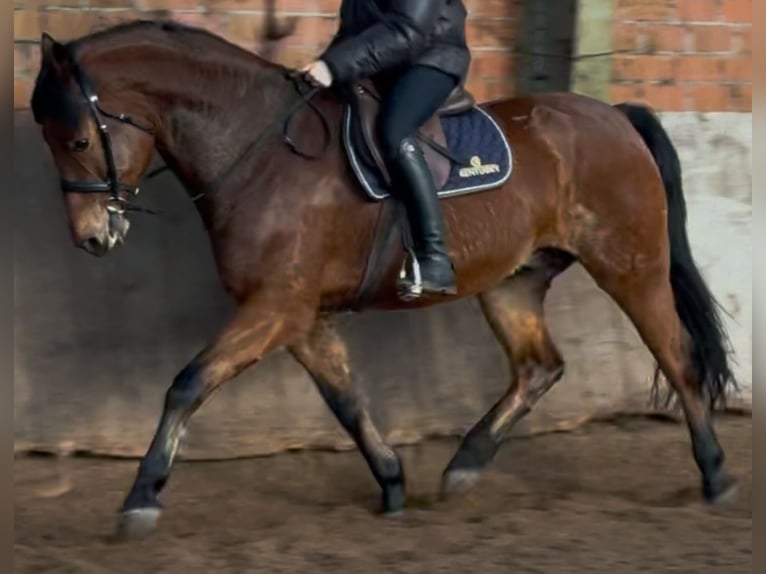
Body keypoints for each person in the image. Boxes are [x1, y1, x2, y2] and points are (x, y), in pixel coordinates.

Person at [301, 1, 472, 300]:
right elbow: (353, 32)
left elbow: (409, 31)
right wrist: (324, 66)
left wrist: (335, 65)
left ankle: (434, 258)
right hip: (387, 60)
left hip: (430, 57)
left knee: (394, 130)